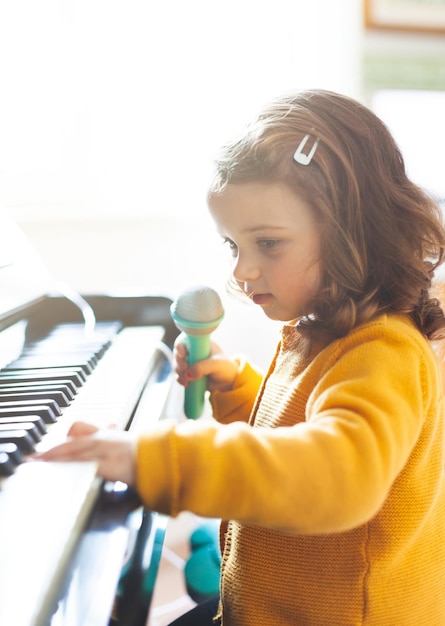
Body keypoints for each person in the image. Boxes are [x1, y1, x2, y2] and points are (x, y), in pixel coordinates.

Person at [35, 90, 445, 625]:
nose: (242, 271)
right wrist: (239, 388)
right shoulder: (322, 332)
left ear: (354, 232)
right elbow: (303, 429)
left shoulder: (384, 351)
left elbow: (335, 476)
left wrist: (160, 457)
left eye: (268, 244)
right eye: (233, 245)